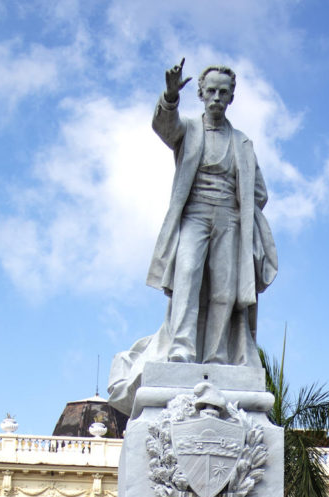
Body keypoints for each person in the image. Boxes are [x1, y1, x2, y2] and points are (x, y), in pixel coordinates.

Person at [108, 60, 277, 411]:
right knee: (187, 277)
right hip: (195, 214)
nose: (216, 97)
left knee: (224, 290)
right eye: (210, 91)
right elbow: (164, 127)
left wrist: (240, 207)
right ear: (200, 93)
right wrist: (170, 97)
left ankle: (216, 355)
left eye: (223, 92)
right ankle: (182, 350)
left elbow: (259, 192)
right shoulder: (189, 129)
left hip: (230, 220)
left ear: (231, 97)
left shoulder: (243, 142)